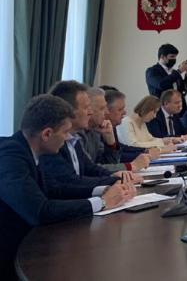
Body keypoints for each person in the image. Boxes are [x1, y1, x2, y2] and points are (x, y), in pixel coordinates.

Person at [0, 95, 134, 278]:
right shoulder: (10, 156)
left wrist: (103, 190)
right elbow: (40, 211)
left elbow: (56, 188)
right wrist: (102, 202)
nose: (67, 139)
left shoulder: (27, 149)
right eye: (65, 133)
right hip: (11, 256)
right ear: (47, 134)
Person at [40, 81, 139, 197]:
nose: (90, 112)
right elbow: (69, 181)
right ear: (68, 110)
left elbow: (90, 168)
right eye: (87, 108)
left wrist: (114, 176)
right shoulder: (53, 140)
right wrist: (112, 183)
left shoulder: (74, 137)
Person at [81, 86, 150, 173]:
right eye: (102, 108)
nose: (106, 112)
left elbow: (109, 163)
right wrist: (130, 166)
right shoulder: (79, 134)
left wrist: (111, 143)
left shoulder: (95, 131)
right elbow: (89, 170)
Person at [104, 87, 161, 162]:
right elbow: (118, 156)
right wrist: (148, 151)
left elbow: (123, 148)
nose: (125, 112)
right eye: (120, 109)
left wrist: (145, 150)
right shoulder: (125, 122)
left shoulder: (112, 127)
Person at [145, 43, 187, 111]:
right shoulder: (152, 71)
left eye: (175, 57)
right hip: (162, 111)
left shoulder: (174, 72)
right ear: (162, 57)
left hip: (180, 111)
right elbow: (161, 84)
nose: (174, 59)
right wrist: (179, 71)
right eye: (172, 56)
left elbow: (184, 89)